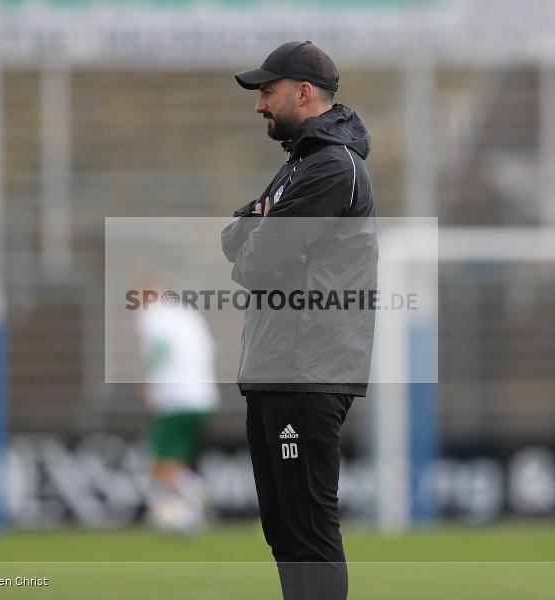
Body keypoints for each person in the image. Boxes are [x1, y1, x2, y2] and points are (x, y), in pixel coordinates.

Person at [221, 42, 377, 600]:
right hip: (276, 368)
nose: (259, 105)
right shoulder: (299, 166)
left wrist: (260, 236)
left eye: (267, 91)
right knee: (284, 532)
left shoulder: (332, 167)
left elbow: (256, 260)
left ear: (303, 92)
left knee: (308, 530)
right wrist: (259, 233)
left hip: (307, 369)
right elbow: (232, 237)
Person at [134, 290, 219, 534]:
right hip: (202, 398)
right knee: (174, 462)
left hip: (174, 398)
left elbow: (162, 346)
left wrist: (146, 381)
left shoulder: (154, 315)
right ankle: (190, 513)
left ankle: (197, 492)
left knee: (161, 464)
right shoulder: (188, 315)